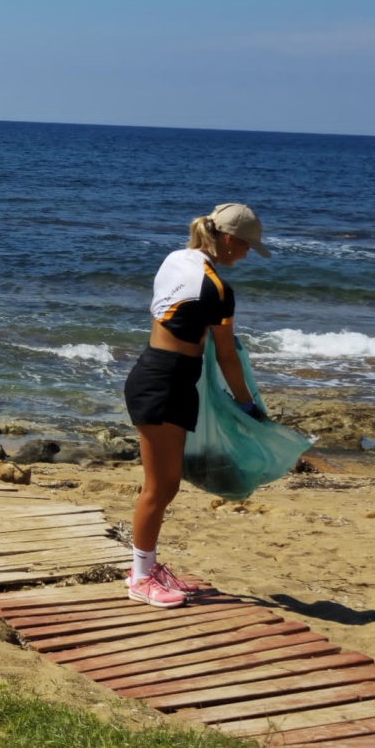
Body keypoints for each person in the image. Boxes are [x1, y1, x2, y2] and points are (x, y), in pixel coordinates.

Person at [121, 202, 268, 608]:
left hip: (159, 374)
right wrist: (247, 405)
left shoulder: (177, 258)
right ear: (227, 240)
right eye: (245, 247)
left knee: (164, 484)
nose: (246, 255)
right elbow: (225, 356)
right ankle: (140, 578)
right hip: (163, 383)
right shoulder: (217, 288)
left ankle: (146, 567)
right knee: (160, 487)